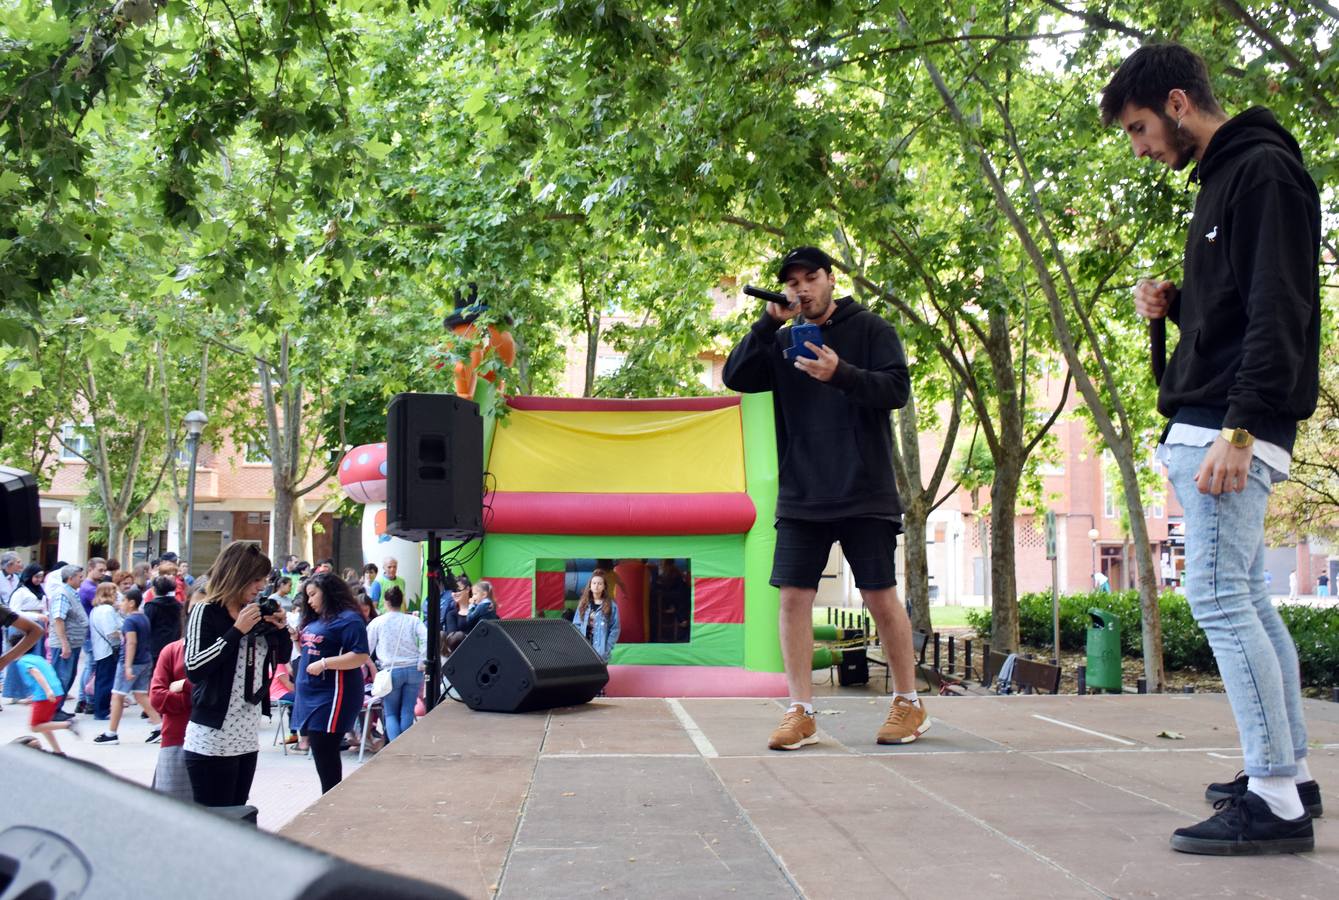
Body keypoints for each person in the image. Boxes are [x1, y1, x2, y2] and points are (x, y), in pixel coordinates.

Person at [1105, 42, 1322, 855]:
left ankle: (1272, 799)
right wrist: (1175, 303)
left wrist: (1240, 426)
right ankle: (1287, 776)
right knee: (1247, 603)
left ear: (1174, 101)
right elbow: (1237, 303)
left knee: (1222, 600)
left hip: (1228, 424)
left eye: (1136, 129)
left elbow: (1279, 306)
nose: (1139, 147)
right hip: (1219, 413)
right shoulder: (1230, 178)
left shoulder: (1260, 171)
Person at [723, 244, 921, 751]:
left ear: (830, 279)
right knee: (793, 598)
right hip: (802, 491)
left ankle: (908, 702)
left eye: (810, 277)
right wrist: (766, 326)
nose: (801, 288)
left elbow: (896, 389)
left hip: (864, 489)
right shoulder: (781, 339)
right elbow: (736, 378)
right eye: (792, 283)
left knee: (879, 596)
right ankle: (801, 711)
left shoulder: (872, 330)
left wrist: (841, 374)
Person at [182, 542, 290, 808]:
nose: (260, 587)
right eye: (256, 580)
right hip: (212, 738)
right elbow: (194, 668)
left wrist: (280, 628)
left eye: (263, 580)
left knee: (238, 815)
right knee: (214, 825)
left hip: (246, 735)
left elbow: (283, 657)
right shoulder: (205, 611)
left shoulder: (256, 611)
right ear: (236, 575)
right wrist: (237, 631)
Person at [292, 573, 370, 794]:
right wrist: (295, 639)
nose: (309, 601)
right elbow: (310, 651)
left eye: (313, 594)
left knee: (324, 748)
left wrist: (325, 664)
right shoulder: (315, 620)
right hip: (310, 692)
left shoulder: (348, 619)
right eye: (307, 596)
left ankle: (330, 796)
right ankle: (329, 795)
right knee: (319, 749)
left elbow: (360, 656)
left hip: (334, 693)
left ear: (328, 592)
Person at [94, 589, 163, 745]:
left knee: (117, 696)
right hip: (145, 660)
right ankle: (159, 726)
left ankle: (111, 733)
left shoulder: (130, 621)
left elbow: (131, 642)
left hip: (133, 661)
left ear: (132, 603)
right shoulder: (143, 618)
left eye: (124, 601)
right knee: (141, 695)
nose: (121, 604)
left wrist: (127, 666)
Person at [149, 588, 198, 801]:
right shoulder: (172, 651)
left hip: (216, 745)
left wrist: (184, 686)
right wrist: (197, 694)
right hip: (175, 740)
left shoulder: (229, 651)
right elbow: (158, 698)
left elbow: (221, 694)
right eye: (196, 608)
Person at [367, 586, 427, 742]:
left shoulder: (378, 622)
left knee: (391, 713)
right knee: (407, 710)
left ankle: (395, 748)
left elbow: (367, 647)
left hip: (390, 671)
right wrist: (422, 659)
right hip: (414, 668)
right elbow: (426, 637)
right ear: (402, 602)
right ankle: (404, 745)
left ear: (386, 602)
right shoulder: (413, 620)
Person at [13, 652, 79, 753]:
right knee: (44, 725)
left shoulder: (22, 661)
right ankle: (58, 751)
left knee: (35, 727)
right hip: (57, 691)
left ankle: (68, 724)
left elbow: (35, 672)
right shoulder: (38, 658)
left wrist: (47, 690)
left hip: (45, 694)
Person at [4, 564, 49, 703]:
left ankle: (32, 691)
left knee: (34, 660)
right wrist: (36, 617)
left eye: (41, 577)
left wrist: (44, 617)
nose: (38, 580)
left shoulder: (40, 591)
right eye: (36, 576)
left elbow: (43, 607)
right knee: (19, 658)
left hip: (38, 625)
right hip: (21, 626)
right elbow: (14, 611)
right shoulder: (21, 592)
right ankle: (16, 693)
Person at [48, 564, 88, 714]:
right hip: (65, 643)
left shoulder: (72, 593)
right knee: (61, 677)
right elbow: (58, 619)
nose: (82, 579)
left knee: (69, 676)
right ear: (70, 578)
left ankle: (58, 708)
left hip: (73, 642)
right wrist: (64, 644)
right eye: (79, 577)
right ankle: (53, 710)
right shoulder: (62, 594)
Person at [87, 582, 123, 721]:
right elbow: (111, 632)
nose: (117, 596)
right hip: (108, 649)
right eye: (114, 593)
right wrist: (122, 635)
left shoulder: (97, 609)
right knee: (106, 680)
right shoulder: (107, 610)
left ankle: (100, 708)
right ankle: (102, 710)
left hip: (100, 648)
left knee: (102, 679)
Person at [571, 570, 620, 663]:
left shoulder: (611, 605)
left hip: (601, 652)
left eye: (599, 583)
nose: (596, 586)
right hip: (584, 650)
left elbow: (615, 629)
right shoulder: (583, 604)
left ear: (604, 586)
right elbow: (576, 625)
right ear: (590, 585)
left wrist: (607, 647)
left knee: (599, 676)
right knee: (586, 676)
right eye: (594, 583)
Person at [143, 574, 184, 668]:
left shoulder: (151, 606)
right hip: (173, 644)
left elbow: (146, 626)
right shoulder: (178, 605)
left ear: (154, 589)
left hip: (156, 647)